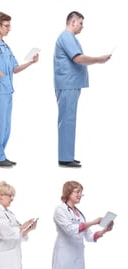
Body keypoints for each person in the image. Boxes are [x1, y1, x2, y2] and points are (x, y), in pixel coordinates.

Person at [0, 12, 38, 168]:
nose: (9, 29)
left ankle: (1, 155)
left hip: (8, 91)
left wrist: (31, 62)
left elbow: (15, 69)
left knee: (6, 126)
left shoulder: (6, 47)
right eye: (6, 25)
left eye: (9, 25)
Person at [54, 12, 111, 168]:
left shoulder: (71, 38)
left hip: (71, 84)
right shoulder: (66, 37)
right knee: (67, 120)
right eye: (80, 23)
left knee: (69, 121)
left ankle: (67, 155)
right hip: (67, 85)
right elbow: (78, 58)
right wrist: (99, 59)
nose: (82, 26)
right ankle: (65, 158)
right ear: (73, 22)